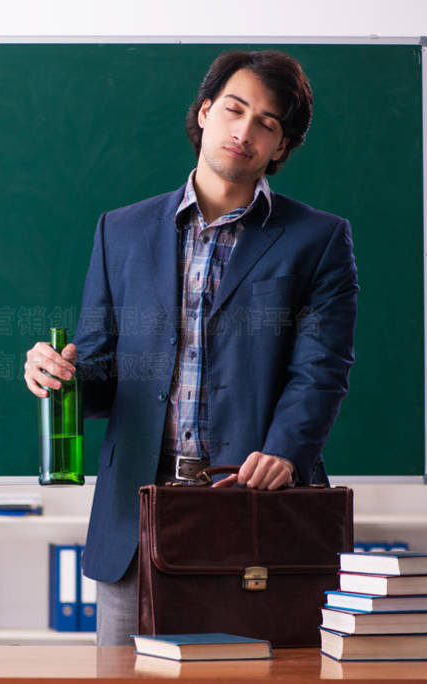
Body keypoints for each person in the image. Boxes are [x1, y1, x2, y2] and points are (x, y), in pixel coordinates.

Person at [22, 50, 358, 646]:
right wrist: (60, 374)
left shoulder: (318, 238)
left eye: (267, 123)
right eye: (233, 109)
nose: (244, 130)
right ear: (205, 113)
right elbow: (100, 371)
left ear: (280, 148)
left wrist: (287, 451)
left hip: (256, 504)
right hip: (138, 518)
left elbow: (321, 368)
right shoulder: (120, 230)